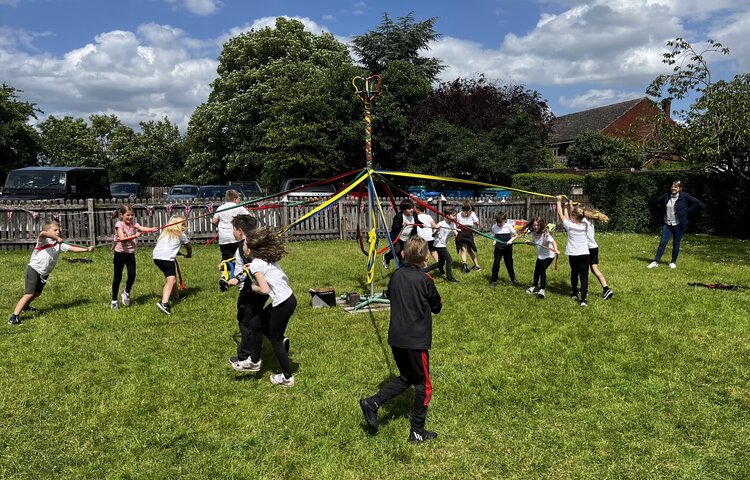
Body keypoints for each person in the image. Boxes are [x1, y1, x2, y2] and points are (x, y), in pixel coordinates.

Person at [359, 237, 443, 443]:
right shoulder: (426, 280)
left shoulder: (395, 276)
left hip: (396, 338)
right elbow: (437, 306)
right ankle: (417, 432)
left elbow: (391, 295)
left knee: (407, 377)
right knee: (424, 385)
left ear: (403, 255)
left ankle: (372, 403)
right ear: (425, 258)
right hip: (415, 341)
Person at [235, 227, 297, 387]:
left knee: (275, 339)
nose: (243, 246)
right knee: (256, 323)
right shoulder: (265, 259)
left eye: (244, 244)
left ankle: (287, 377)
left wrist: (251, 286)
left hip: (282, 304)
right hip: (289, 299)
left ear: (250, 249)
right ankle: (254, 361)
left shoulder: (256, 265)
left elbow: (264, 290)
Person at [8, 220, 93, 326]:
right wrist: (56, 237)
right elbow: (42, 233)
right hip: (34, 269)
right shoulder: (44, 240)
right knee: (29, 293)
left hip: (44, 272)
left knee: (37, 293)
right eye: (55, 230)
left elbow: (72, 248)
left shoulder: (58, 244)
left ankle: (26, 306)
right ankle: (14, 317)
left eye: (59, 231)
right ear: (48, 230)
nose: (58, 232)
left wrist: (86, 250)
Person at [648, 180, 704, 269]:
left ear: (680, 188)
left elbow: (698, 203)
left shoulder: (685, 196)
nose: (673, 188)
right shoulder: (666, 195)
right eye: (672, 186)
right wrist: (662, 209)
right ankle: (655, 261)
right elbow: (657, 202)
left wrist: (688, 211)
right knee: (663, 242)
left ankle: (673, 262)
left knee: (676, 243)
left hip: (678, 224)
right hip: (667, 223)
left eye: (676, 187)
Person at [111, 204, 153, 310]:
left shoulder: (133, 223)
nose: (130, 217)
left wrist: (151, 229)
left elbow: (142, 228)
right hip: (120, 254)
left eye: (131, 215)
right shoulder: (119, 224)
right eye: (128, 215)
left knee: (132, 275)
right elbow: (122, 238)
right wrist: (135, 236)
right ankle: (114, 300)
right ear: (122, 215)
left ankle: (126, 292)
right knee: (118, 277)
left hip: (130, 253)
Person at [152, 215, 192, 315]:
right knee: (171, 280)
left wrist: (175, 252)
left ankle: (176, 296)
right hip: (166, 258)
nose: (185, 225)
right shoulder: (181, 235)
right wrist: (189, 255)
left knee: (171, 277)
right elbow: (189, 247)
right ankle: (164, 303)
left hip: (157, 257)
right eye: (183, 224)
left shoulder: (164, 233)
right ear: (180, 225)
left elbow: (167, 246)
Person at [212, 189, 251, 291]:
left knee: (225, 258)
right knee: (242, 257)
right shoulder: (239, 208)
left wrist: (221, 227)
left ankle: (224, 277)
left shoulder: (221, 207)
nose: (240, 201)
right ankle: (243, 276)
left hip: (224, 237)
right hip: (236, 235)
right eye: (239, 198)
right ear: (234, 198)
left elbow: (214, 221)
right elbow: (250, 218)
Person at [555, 196, 590, 307]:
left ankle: (574, 293)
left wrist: (558, 201)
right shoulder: (585, 224)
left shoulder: (570, 226)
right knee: (584, 277)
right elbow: (574, 216)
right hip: (585, 255)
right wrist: (569, 207)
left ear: (574, 216)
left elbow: (561, 215)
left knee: (574, 273)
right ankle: (583, 299)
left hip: (573, 255)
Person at [582, 208, 614, 299]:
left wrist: (569, 207)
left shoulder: (584, 221)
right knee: (595, 270)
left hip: (587, 249)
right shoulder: (591, 221)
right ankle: (606, 289)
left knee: (584, 271)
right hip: (594, 248)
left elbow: (574, 217)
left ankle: (585, 290)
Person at [524, 217, 558, 298]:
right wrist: (530, 243)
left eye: (538, 225)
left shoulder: (546, 234)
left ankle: (542, 290)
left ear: (541, 225)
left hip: (549, 255)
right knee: (536, 271)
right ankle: (535, 286)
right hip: (540, 255)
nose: (535, 227)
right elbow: (536, 243)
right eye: (534, 225)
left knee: (542, 269)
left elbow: (553, 242)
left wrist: (556, 249)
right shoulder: (534, 233)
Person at [424, 206, 459, 282]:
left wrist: (458, 234)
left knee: (440, 263)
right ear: (447, 216)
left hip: (443, 244)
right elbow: (433, 235)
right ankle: (449, 278)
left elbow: (456, 234)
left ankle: (424, 271)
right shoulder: (441, 224)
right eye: (453, 215)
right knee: (449, 260)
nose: (455, 217)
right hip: (439, 245)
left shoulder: (453, 224)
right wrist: (437, 230)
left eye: (455, 215)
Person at [383, 199, 417, 269]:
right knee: (397, 251)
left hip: (407, 238)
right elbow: (394, 228)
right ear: (404, 210)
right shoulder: (398, 217)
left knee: (406, 254)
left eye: (412, 208)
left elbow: (417, 222)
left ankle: (402, 269)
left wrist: (422, 225)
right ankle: (387, 257)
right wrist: (402, 225)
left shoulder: (414, 214)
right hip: (397, 238)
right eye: (409, 208)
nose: (412, 210)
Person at [489, 211, 519, 287]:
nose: (499, 224)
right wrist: (494, 241)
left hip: (507, 248)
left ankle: (513, 279)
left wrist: (510, 241)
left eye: (500, 222)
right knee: (496, 264)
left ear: (505, 220)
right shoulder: (494, 227)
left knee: (509, 263)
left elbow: (516, 235)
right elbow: (494, 236)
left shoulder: (508, 226)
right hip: (498, 248)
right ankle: (494, 280)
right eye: (497, 222)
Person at [455, 199, 480, 273]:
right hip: (468, 232)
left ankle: (465, 264)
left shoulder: (459, 214)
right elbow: (477, 222)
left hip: (461, 232)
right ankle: (477, 266)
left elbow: (457, 225)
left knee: (463, 250)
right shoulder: (472, 213)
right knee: (470, 250)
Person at [414, 203, 440, 267]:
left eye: (415, 209)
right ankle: (439, 264)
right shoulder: (428, 216)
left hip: (421, 238)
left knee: (423, 253)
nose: (414, 210)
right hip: (430, 238)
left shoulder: (415, 217)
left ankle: (426, 267)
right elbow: (435, 226)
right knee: (433, 252)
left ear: (418, 210)